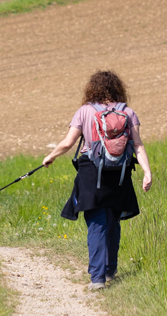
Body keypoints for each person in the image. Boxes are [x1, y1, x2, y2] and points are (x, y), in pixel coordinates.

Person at [41, 70, 153, 290]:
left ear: (92, 89)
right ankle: (110, 270)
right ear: (119, 89)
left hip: (92, 172)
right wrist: (147, 172)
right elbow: (138, 145)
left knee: (97, 223)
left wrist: (50, 157)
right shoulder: (128, 113)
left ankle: (97, 278)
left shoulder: (84, 111)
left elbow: (68, 143)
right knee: (113, 220)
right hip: (119, 173)